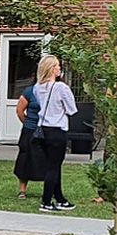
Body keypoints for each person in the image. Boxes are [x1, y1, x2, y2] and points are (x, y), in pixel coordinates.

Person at [33, 56, 78, 212]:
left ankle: (59, 198)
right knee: (54, 167)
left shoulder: (37, 87)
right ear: (52, 69)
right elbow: (71, 109)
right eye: (57, 66)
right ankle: (46, 201)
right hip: (57, 130)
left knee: (52, 165)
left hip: (42, 130)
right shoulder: (61, 87)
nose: (59, 68)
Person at [13, 81, 43, 199]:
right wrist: (27, 123)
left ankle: (49, 189)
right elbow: (20, 111)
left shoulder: (54, 91)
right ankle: (22, 190)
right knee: (25, 158)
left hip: (47, 129)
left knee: (46, 158)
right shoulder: (30, 91)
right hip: (30, 130)